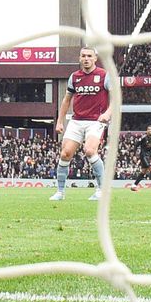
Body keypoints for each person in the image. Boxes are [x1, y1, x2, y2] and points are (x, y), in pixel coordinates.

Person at [50, 47, 111, 202]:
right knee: (65, 154)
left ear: (95, 58)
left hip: (96, 121)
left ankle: (101, 190)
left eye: (89, 56)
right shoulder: (74, 77)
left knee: (90, 151)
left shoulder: (104, 75)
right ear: (79, 58)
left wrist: (107, 114)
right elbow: (66, 99)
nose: (86, 59)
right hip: (76, 121)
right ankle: (60, 192)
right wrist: (59, 121)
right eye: (83, 56)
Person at [129, 125, 151, 192]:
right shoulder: (143, 137)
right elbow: (136, 145)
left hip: (149, 156)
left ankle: (134, 186)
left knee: (143, 172)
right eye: (149, 129)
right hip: (143, 156)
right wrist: (134, 155)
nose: (150, 130)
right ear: (146, 131)